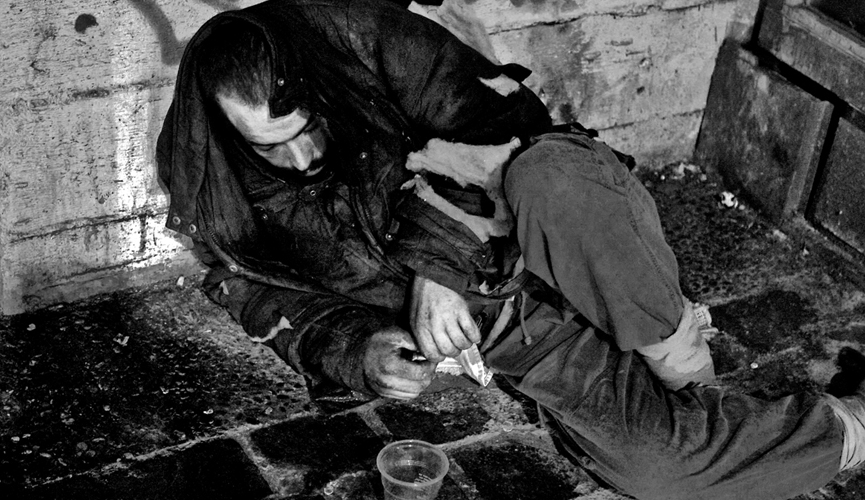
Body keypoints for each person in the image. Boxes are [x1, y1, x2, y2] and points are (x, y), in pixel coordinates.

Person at [156, 0, 865, 498]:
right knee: (657, 473)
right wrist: (357, 346)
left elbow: (503, 123)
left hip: (557, 230)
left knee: (550, 173)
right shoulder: (203, 173)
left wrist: (438, 263)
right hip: (507, 328)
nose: (305, 154)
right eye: (270, 147)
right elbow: (251, 290)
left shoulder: (362, 36)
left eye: (308, 125)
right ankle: (852, 425)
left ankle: (682, 362)